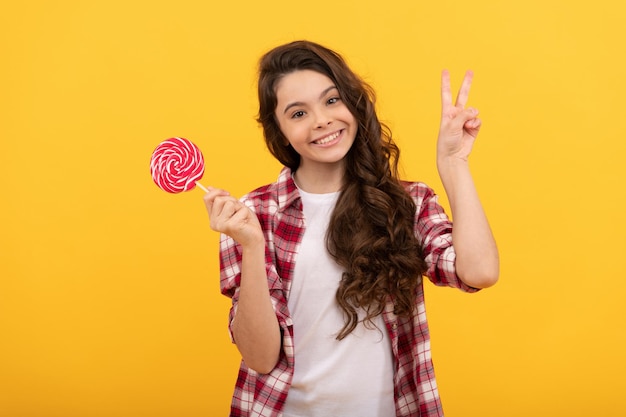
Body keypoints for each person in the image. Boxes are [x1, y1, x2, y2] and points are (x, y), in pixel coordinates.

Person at [203, 40, 499, 417]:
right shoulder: (253, 214)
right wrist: (252, 246)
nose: (322, 120)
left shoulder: (407, 203)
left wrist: (454, 163)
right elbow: (261, 358)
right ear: (279, 130)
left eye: (330, 100)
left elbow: (480, 272)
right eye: (297, 113)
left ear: (353, 103)